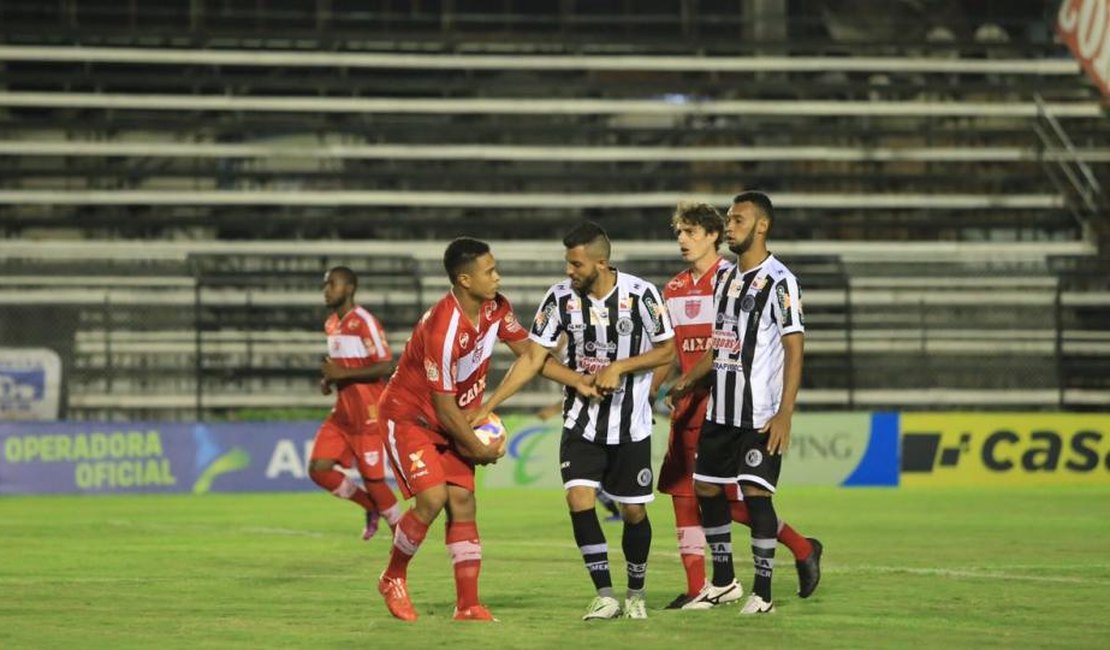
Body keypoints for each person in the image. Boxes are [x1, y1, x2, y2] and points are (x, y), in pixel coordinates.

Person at [376, 237, 591, 623]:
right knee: (432, 499)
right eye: (489, 271)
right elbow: (442, 404)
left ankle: (468, 605)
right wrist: (477, 447)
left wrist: (578, 381)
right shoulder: (442, 328)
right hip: (411, 418)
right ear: (464, 279)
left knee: (463, 504)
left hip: (452, 419)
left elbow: (532, 354)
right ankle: (393, 576)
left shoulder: (495, 308)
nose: (497, 277)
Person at [470, 222, 675, 621]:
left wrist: (621, 367)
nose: (569, 271)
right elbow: (532, 358)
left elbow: (668, 351)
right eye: (568, 263)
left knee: (633, 513)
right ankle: (605, 595)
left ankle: (635, 592)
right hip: (581, 422)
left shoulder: (642, 294)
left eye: (576, 264)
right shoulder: (559, 299)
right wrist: (488, 404)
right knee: (579, 499)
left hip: (631, 424)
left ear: (601, 263)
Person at [654, 202, 822, 609]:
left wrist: (785, 413)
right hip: (719, 411)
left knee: (753, 495)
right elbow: (720, 344)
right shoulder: (726, 282)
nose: (729, 227)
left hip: (759, 412)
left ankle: (763, 592)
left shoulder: (780, 281)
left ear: (762, 226)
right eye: (727, 220)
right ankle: (723, 582)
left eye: (736, 220)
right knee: (703, 488)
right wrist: (687, 381)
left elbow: (794, 348)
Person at [309, 266, 401, 541]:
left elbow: (386, 364)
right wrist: (330, 380)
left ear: (349, 288)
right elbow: (342, 365)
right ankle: (371, 507)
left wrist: (342, 374)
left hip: (369, 414)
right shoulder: (331, 324)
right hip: (343, 414)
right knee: (319, 469)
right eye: (325, 285)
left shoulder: (364, 322)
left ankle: (403, 536)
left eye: (332, 284)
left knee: (375, 482)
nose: (327, 290)